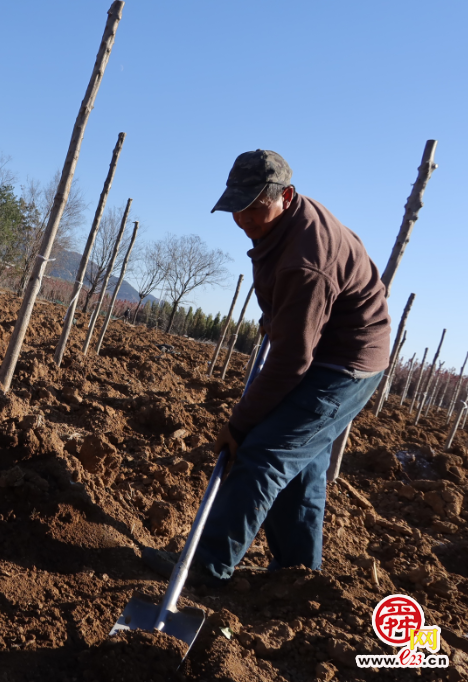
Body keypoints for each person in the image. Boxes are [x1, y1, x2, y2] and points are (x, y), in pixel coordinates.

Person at [143, 150, 390, 583]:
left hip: (345, 364)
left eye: (255, 207)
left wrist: (239, 425)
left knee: (262, 453)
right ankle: (296, 575)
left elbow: (293, 359)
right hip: (321, 345)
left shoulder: (306, 261)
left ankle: (203, 569)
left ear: (286, 196)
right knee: (299, 463)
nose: (245, 219)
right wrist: (274, 318)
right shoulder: (285, 227)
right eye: (237, 208)